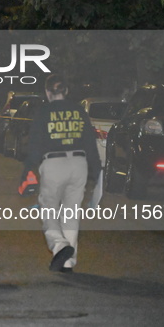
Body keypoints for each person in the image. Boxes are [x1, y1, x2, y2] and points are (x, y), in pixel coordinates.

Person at [22, 74, 101, 273]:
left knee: (49, 208)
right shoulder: (79, 111)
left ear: (48, 92)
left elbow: (34, 146)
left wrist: (28, 170)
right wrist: (97, 171)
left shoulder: (43, 112)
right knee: (71, 212)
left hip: (53, 163)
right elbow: (90, 143)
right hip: (79, 163)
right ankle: (68, 262)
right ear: (66, 91)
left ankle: (60, 245)